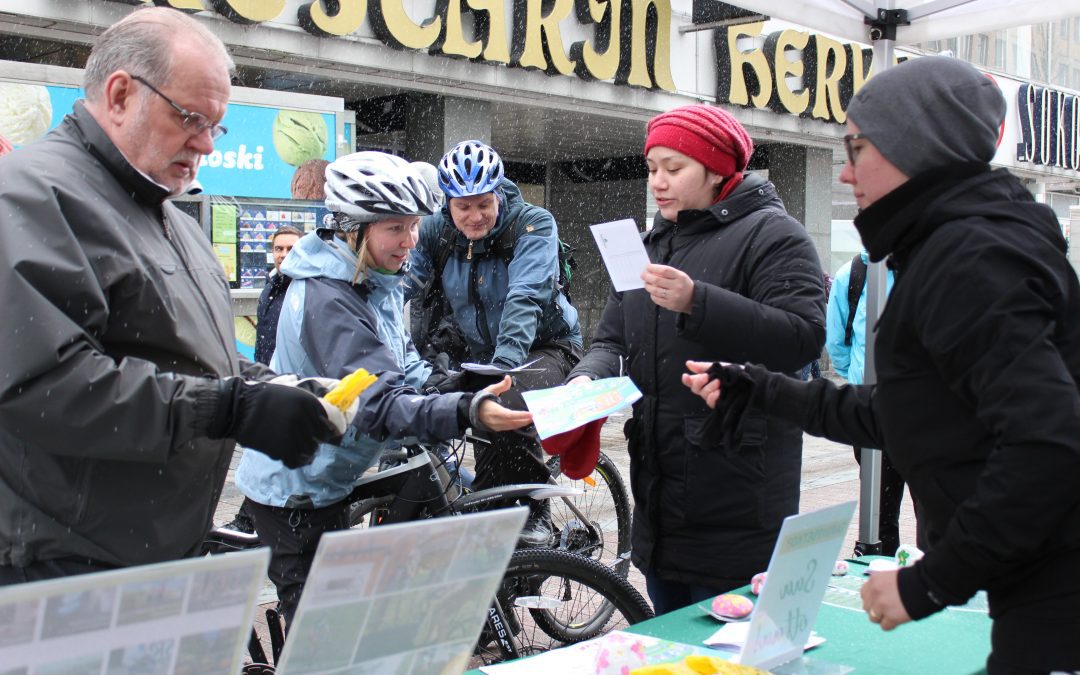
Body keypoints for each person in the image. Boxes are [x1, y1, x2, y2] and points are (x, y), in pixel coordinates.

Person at [683, 56, 1080, 674]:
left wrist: (930, 582)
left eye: (857, 148)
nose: (843, 173)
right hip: (1035, 584)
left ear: (914, 151)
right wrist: (759, 388)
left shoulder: (971, 255)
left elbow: (1048, 444)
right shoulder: (949, 244)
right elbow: (909, 415)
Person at [0, 7, 348, 584]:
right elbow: (39, 386)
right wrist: (230, 408)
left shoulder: (165, 214)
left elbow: (180, 351)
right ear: (119, 95)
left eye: (217, 125)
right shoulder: (34, 197)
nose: (207, 144)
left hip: (143, 556)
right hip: (62, 568)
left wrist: (272, 386)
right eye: (191, 118)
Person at [235, 151, 533, 625]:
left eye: (414, 226)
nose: (410, 241)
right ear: (355, 228)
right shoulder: (328, 298)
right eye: (395, 228)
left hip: (332, 471)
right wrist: (464, 412)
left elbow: (403, 365)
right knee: (323, 638)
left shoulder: (373, 279)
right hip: (296, 490)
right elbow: (378, 401)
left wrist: (459, 385)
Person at [566, 104, 826, 614]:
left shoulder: (775, 235)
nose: (658, 182)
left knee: (727, 655)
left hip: (739, 494)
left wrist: (697, 302)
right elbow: (613, 339)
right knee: (673, 648)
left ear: (717, 170)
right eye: (651, 168)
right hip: (661, 499)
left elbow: (800, 338)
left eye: (674, 168)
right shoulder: (651, 242)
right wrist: (585, 380)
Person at [405, 140, 584, 546]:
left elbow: (525, 295)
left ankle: (535, 510)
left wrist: (504, 368)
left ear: (499, 193)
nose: (474, 215)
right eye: (463, 206)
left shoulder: (531, 223)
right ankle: (492, 517)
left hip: (549, 346)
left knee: (503, 402)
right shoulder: (434, 231)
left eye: (483, 203)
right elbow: (404, 285)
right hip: (481, 353)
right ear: (447, 203)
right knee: (442, 411)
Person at [826, 251, 903, 555]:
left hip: (912, 411)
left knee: (889, 516)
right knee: (883, 519)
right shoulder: (854, 274)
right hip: (876, 412)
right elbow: (837, 342)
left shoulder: (931, 264)